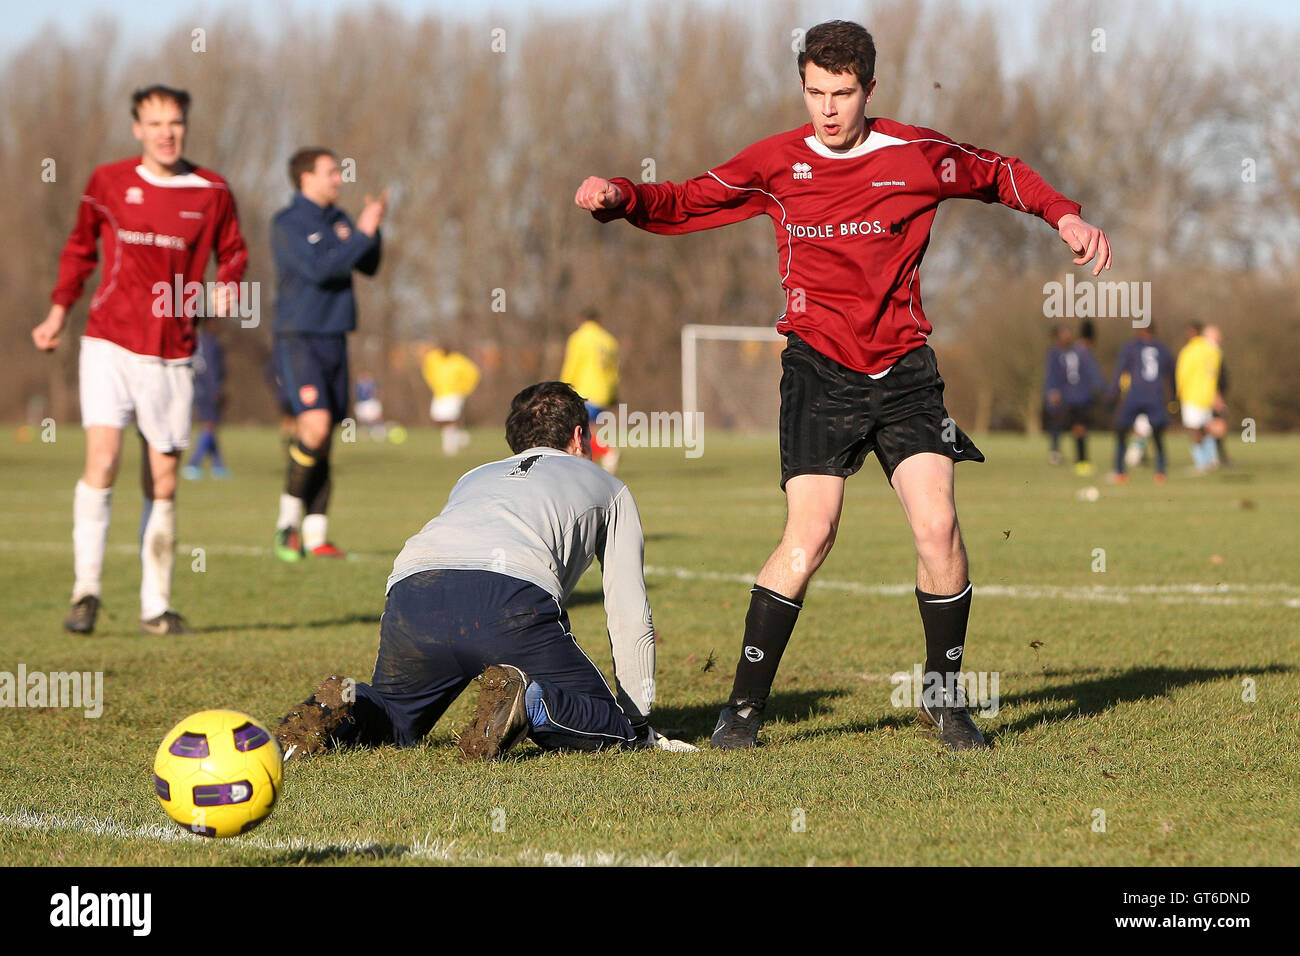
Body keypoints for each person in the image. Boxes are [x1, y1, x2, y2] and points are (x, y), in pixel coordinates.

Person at [575, 19, 1111, 750]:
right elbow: (689, 199)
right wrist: (623, 196)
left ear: (870, 89)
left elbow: (1001, 172)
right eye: (815, 92)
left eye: (843, 93)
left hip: (905, 369)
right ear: (803, 85)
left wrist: (1064, 214)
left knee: (939, 527)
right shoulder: (776, 163)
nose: (827, 109)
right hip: (819, 369)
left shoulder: (917, 156)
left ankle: (944, 699)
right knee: (812, 534)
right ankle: (742, 712)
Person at [274, 382, 695, 760]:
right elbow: (628, 610)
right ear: (580, 436)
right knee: (611, 724)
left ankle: (346, 702)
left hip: (413, 590)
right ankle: (528, 700)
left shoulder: (475, 474)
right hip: (507, 602)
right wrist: (636, 722)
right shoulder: (607, 484)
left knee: (395, 719)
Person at [31, 85, 248, 635]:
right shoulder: (108, 182)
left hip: (172, 351)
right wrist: (59, 312)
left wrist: (227, 287)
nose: (166, 132)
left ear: (185, 126)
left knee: (164, 481)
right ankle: (86, 593)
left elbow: (234, 252)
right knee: (102, 461)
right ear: (137, 129)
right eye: (155, 123)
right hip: (107, 341)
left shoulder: (212, 190)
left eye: (174, 122)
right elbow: (80, 249)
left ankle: (156, 605)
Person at [270, 148, 387, 561]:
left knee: (327, 438)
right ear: (306, 179)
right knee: (314, 427)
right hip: (299, 336)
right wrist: (360, 234)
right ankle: (287, 522)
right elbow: (321, 270)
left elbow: (367, 265)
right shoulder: (287, 223)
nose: (339, 178)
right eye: (331, 172)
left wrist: (372, 230)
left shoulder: (339, 220)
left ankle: (316, 535)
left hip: (336, 336)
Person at [1107, 324, 1174, 483]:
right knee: (1158, 434)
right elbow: (1171, 375)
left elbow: (1120, 371)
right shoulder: (1162, 349)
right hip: (1155, 396)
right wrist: (1174, 398)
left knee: (1121, 430)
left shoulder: (1130, 347)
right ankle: (1161, 472)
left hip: (1135, 394)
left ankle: (1120, 471)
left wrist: (1112, 394)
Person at [560, 308, 621, 473]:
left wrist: (563, 388)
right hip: (604, 392)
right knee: (586, 428)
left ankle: (607, 452)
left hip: (585, 391)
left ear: (581, 320)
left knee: (578, 430)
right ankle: (588, 465)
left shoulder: (579, 338)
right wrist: (613, 392)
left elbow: (572, 365)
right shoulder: (609, 340)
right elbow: (614, 371)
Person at [182, 323, 229, 479]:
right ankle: (193, 464)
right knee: (209, 426)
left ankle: (218, 466)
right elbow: (210, 369)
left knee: (210, 427)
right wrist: (215, 389)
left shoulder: (198, 340)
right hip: (208, 390)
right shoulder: (209, 342)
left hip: (199, 387)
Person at [1175, 322, 1223, 473]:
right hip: (1208, 396)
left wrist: (1177, 394)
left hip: (1192, 395)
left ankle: (1201, 462)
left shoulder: (1189, 350)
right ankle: (1212, 459)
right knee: (1206, 428)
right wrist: (1216, 395)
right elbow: (1215, 376)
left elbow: (1182, 374)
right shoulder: (1213, 351)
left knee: (1194, 429)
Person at [420, 344, 480, 455]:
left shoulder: (458, 360)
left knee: (451, 418)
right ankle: (460, 436)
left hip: (454, 393)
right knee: (437, 418)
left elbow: (473, 373)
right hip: (439, 393)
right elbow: (426, 368)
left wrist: (465, 388)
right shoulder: (434, 358)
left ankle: (450, 446)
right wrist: (432, 382)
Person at [1063, 320, 1105, 476]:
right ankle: (1082, 461)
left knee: (1076, 429)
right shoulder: (1085, 353)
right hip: (1081, 396)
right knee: (1081, 429)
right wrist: (1105, 391)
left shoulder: (1070, 351)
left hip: (1069, 395)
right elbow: (1094, 374)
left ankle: (1080, 460)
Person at [1042, 325, 1073, 465]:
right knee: (1056, 424)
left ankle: (1060, 452)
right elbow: (1051, 374)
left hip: (1068, 392)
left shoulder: (1070, 352)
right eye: (1065, 333)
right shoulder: (1054, 353)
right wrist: (1052, 391)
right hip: (1056, 393)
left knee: (1066, 423)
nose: (1068, 336)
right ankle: (1055, 452)